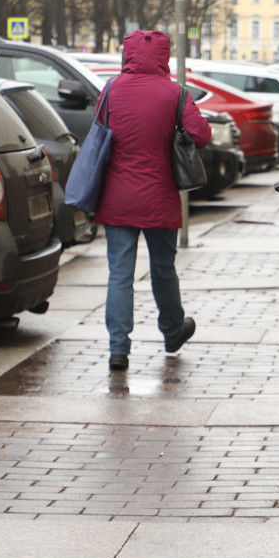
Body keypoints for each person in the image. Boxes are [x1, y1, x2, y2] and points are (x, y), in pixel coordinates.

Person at [93, 29, 212, 371]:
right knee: (163, 269)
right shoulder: (175, 93)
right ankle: (173, 332)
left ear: (127, 54)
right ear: (164, 55)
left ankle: (118, 349)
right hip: (160, 197)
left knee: (119, 273)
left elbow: (98, 128)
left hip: (117, 197)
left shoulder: (112, 89)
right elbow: (201, 135)